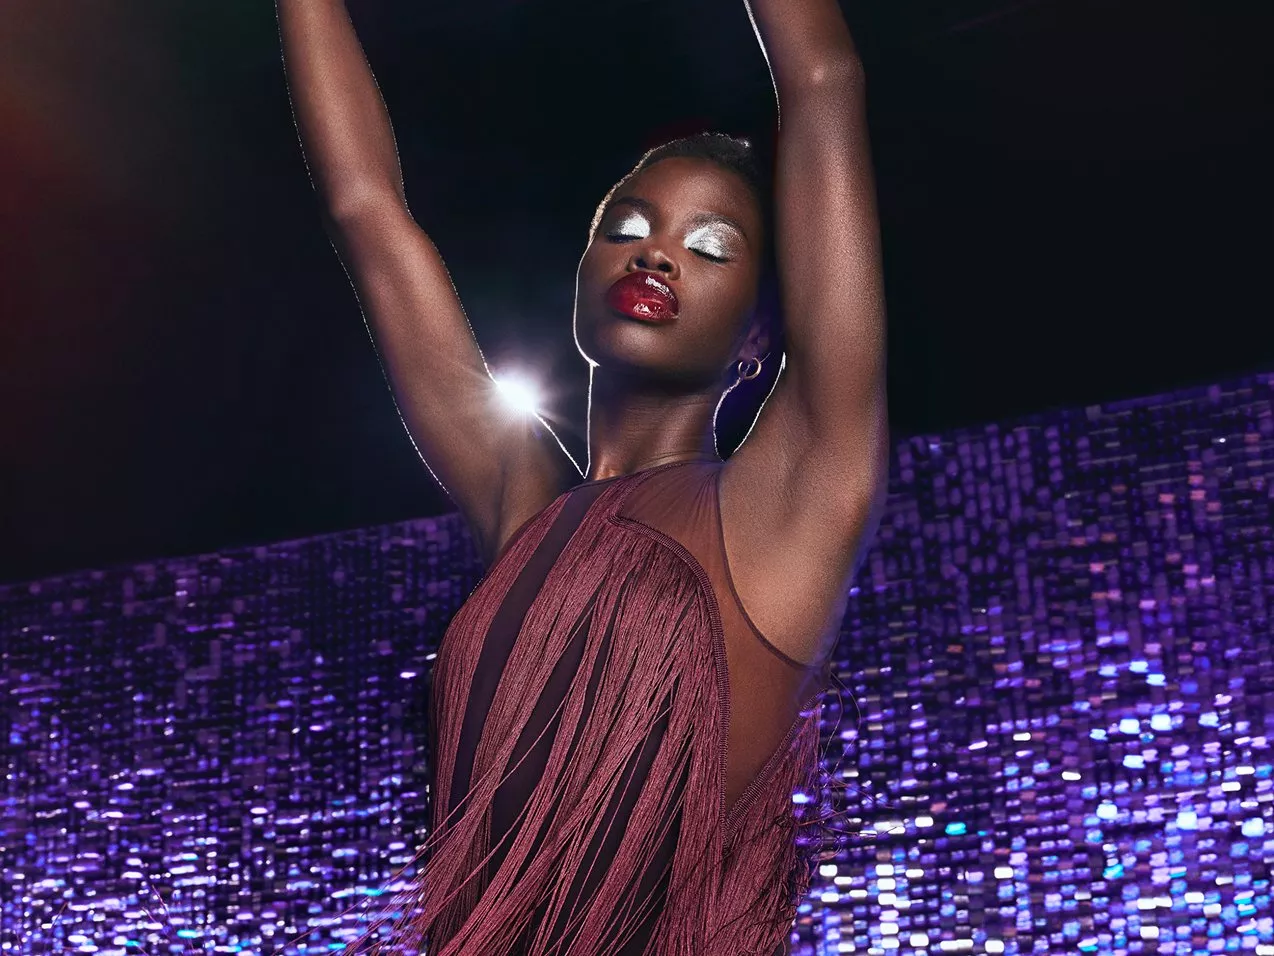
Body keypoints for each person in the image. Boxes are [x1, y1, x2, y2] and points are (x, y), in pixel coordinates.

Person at [277, 0, 888, 952]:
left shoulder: (789, 500)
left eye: (710, 246)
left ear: (759, 337)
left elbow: (822, 84)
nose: (655, 251)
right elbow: (366, 207)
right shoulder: (525, 499)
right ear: (580, 274)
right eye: (628, 225)